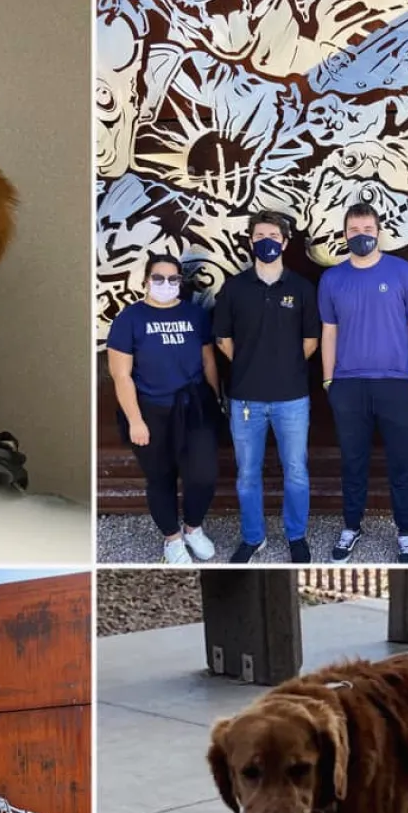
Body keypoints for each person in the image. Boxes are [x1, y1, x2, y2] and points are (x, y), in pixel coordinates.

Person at [317, 203, 408, 563]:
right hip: (349, 385)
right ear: (345, 234)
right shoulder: (332, 279)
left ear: (379, 231)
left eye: (367, 228)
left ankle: (406, 533)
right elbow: (328, 333)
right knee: (352, 462)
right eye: (353, 229)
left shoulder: (402, 272)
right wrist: (329, 381)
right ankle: (351, 526)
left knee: (401, 464)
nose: (361, 235)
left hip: (398, 385)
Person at [213, 210, 320, 563]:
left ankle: (296, 536)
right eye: (260, 236)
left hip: (292, 398)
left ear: (286, 242)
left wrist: (282, 367)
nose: (267, 242)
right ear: (250, 241)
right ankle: (253, 537)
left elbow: (310, 341)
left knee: (296, 471)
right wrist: (252, 366)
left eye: (273, 236)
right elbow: (223, 339)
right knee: (247, 474)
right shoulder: (235, 288)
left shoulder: (302, 289)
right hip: (246, 398)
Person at [106, 252, 221, 564]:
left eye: (172, 279)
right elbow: (121, 374)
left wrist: (216, 398)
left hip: (194, 406)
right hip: (151, 410)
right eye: (158, 278)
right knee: (161, 477)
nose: (165, 284)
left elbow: (208, 360)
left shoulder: (195, 315)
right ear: (146, 281)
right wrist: (135, 421)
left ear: (180, 283)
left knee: (203, 474)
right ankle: (172, 539)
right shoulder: (130, 319)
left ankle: (193, 528)